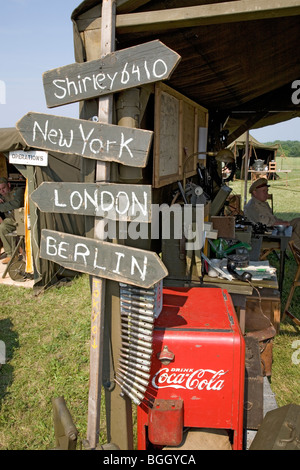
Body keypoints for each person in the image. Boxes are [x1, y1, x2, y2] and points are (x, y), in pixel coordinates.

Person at [244, 177, 300, 246]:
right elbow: (263, 222)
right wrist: (281, 223)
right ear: (255, 193)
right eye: (263, 191)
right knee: (295, 236)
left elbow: (271, 218)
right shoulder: (252, 206)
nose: (266, 193)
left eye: (267, 191)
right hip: (268, 234)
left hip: (274, 230)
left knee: (298, 222)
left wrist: (282, 222)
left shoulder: (262, 203)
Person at [0, 177, 25, 264]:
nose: (2, 191)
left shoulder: (18, 191)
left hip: (22, 219)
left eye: (4, 188)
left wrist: (1, 206)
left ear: (9, 185)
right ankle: (11, 255)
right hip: (11, 220)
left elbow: (16, 204)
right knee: (3, 226)